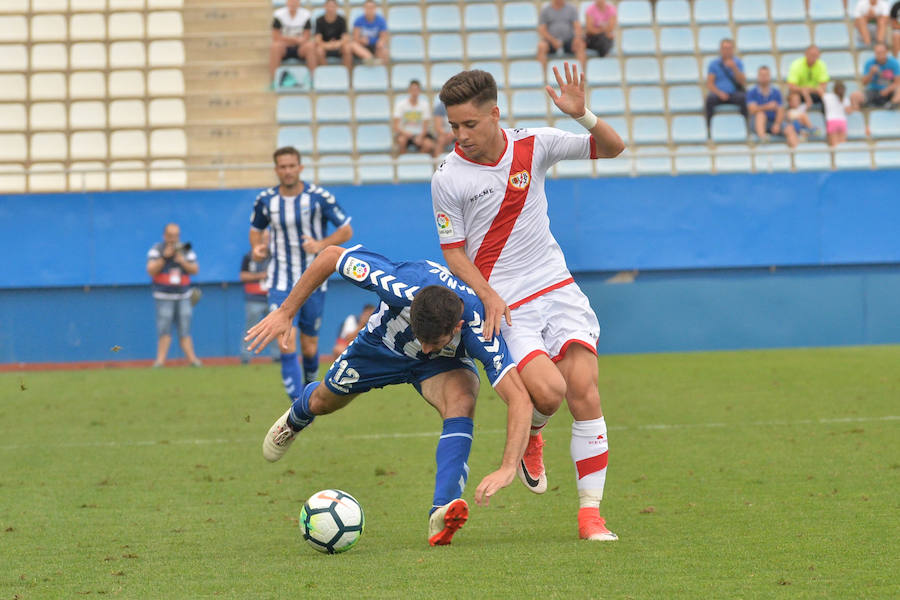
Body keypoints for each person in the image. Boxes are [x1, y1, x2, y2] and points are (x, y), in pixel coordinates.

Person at [431, 64, 625, 541]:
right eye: (453, 126)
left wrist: (585, 115)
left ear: (494, 114)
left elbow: (614, 148)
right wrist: (489, 295)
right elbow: (453, 252)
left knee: (584, 387)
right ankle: (535, 430)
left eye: (469, 125)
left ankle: (589, 515)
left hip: (556, 286)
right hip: (507, 305)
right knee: (549, 392)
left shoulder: (534, 144)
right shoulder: (448, 176)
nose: (460, 135)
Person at [247, 244, 533, 546]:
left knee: (462, 400)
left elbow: (519, 399)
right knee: (323, 402)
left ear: (458, 326)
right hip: (382, 347)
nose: (424, 348)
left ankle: (442, 510)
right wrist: (285, 311)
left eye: (432, 341)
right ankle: (298, 415)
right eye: (422, 339)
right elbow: (332, 256)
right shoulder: (397, 283)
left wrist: (507, 467)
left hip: (441, 364)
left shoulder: (479, 326)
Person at [249, 146, 353, 403]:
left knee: (309, 347)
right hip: (280, 280)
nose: (287, 171)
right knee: (286, 341)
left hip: (314, 281)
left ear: (300, 168)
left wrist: (320, 245)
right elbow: (255, 229)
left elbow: (346, 231)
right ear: (276, 170)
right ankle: (298, 403)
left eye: (291, 166)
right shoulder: (265, 201)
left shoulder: (319, 198)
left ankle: (309, 389)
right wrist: (257, 248)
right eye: (282, 167)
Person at [146, 223, 201, 368]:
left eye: (176, 236)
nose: (173, 239)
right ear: (165, 236)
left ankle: (192, 360)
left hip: (183, 295)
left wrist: (182, 261)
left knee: (185, 329)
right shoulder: (157, 249)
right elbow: (150, 270)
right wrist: (165, 257)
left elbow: (195, 269)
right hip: (163, 295)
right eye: (170, 236)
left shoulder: (185, 249)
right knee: (164, 329)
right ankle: (160, 361)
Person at [240, 231, 279, 364]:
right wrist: (260, 275)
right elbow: (243, 276)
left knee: (275, 327)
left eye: (268, 239)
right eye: (263, 239)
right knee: (251, 328)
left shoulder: (275, 257)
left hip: (271, 297)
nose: (265, 242)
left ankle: (277, 356)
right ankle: (246, 356)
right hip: (254, 299)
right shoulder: (249, 256)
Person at [747, 66, 798, 147]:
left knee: (790, 128)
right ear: (758, 76)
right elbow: (752, 110)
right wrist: (767, 107)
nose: (764, 77)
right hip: (757, 123)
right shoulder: (752, 92)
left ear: (769, 76)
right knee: (761, 114)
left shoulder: (776, 92)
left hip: (773, 121)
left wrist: (777, 124)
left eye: (766, 75)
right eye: (762, 75)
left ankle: (796, 153)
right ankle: (763, 141)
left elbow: (781, 110)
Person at [705, 38, 748, 132]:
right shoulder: (714, 64)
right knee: (709, 100)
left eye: (729, 48)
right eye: (724, 48)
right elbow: (709, 84)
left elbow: (742, 82)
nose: (727, 51)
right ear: (720, 50)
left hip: (734, 94)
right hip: (718, 94)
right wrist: (719, 93)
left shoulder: (738, 63)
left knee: (744, 98)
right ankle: (709, 128)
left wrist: (734, 68)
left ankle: (745, 127)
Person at [270, 0, 316, 87]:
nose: (293, 4)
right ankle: (274, 81)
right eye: (291, 1)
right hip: (284, 47)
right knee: (275, 46)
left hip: (299, 48)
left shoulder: (306, 15)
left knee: (310, 46)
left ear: (299, 3)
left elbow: (306, 37)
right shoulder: (278, 15)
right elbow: (275, 37)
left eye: (295, 2)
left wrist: (287, 39)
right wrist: (295, 39)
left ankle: (312, 80)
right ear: (287, 3)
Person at [537, 0, 588, 70]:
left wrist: (577, 38)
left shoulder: (571, 8)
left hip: (568, 40)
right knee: (541, 46)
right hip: (551, 41)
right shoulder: (545, 10)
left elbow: (577, 26)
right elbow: (542, 29)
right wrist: (552, 40)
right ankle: (542, 76)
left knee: (580, 45)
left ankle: (582, 75)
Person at [393, 79, 435, 156]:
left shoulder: (425, 105)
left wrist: (420, 136)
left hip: (420, 134)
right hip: (405, 133)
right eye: (412, 89)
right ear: (409, 90)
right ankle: (404, 161)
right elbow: (396, 126)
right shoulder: (400, 105)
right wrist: (405, 133)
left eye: (416, 89)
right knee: (401, 141)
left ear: (419, 91)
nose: (414, 92)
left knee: (429, 144)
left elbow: (425, 126)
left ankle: (420, 161)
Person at [854, 41, 900, 108]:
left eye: (882, 52)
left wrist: (887, 90)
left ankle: (892, 104)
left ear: (887, 52)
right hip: (873, 91)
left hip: (890, 91)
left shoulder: (894, 63)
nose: (880, 55)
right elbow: (864, 83)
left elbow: (897, 82)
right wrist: (871, 73)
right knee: (855, 96)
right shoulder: (869, 63)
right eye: (878, 53)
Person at [314, 0, 352, 71]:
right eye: (329, 6)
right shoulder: (319, 20)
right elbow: (317, 40)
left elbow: (345, 38)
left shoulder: (342, 20)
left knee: (347, 48)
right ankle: (326, 73)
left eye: (333, 6)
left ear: (337, 7)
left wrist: (336, 44)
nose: (331, 9)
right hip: (325, 46)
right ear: (325, 7)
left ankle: (346, 75)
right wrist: (329, 45)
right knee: (319, 50)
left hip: (339, 46)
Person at [351, 0, 389, 65]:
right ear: (364, 9)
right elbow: (355, 38)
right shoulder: (358, 20)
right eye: (367, 8)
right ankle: (370, 58)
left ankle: (379, 68)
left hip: (375, 46)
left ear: (375, 9)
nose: (369, 10)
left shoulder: (381, 20)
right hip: (363, 47)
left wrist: (380, 42)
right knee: (352, 45)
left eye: (371, 8)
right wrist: (361, 40)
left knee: (384, 50)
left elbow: (383, 37)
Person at [823, 81, 855, 147]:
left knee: (834, 146)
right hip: (842, 122)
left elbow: (819, 90)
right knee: (842, 145)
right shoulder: (845, 99)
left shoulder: (828, 97)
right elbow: (849, 111)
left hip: (831, 121)